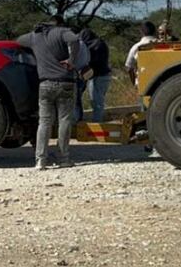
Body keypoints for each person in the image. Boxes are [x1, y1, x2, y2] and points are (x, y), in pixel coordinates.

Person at [16, 15, 80, 170]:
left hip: (45, 83)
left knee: (44, 122)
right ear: (58, 24)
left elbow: (18, 41)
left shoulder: (34, 36)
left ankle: (40, 160)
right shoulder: (62, 31)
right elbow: (74, 39)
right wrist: (71, 60)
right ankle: (63, 158)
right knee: (64, 120)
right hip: (65, 82)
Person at [79, 28, 111, 123]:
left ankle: (97, 121)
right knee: (98, 99)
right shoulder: (101, 43)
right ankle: (97, 119)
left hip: (98, 76)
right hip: (104, 75)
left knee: (96, 101)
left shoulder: (94, 45)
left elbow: (90, 60)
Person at [126, 21, 157, 85]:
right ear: (155, 31)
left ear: (141, 32)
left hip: (142, 83)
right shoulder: (163, 45)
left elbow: (129, 68)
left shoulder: (135, 47)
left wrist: (134, 84)